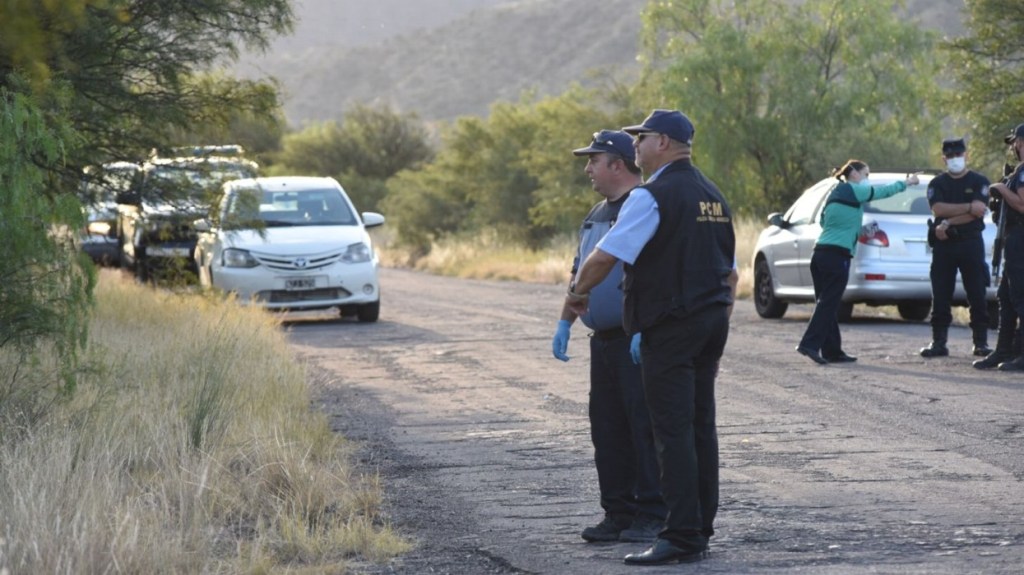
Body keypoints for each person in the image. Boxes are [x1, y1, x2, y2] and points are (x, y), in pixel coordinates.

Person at [565, 109, 738, 566]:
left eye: (640, 138)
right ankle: (699, 528)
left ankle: (679, 535)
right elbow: (731, 272)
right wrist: (717, 319)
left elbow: (605, 256)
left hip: (671, 326)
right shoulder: (713, 195)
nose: (636, 146)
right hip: (710, 322)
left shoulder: (651, 195)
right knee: (700, 427)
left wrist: (577, 294)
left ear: (662, 142)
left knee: (671, 431)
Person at [551, 129, 666, 543]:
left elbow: (656, 274)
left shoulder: (645, 206)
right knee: (607, 429)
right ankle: (617, 513)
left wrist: (645, 327)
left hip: (636, 338)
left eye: (594, 160)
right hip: (602, 340)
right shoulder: (597, 213)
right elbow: (579, 271)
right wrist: (565, 322)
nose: (587, 169)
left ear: (618, 164)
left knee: (643, 429)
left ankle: (652, 515)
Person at [796, 160, 918, 364]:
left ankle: (832, 351)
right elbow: (882, 192)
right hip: (837, 256)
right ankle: (809, 344)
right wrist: (906, 183)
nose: (867, 179)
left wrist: (860, 232)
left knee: (827, 304)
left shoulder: (834, 194)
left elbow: (828, 224)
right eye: (866, 174)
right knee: (828, 304)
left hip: (820, 255)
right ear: (854, 174)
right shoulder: (854, 190)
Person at [920, 138, 991, 358]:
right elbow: (938, 209)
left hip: (970, 243)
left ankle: (981, 342)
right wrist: (968, 207)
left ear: (966, 155)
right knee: (941, 293)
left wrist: (948, 221)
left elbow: (979, 212)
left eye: (958, 155)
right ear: (944, 159)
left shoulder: (979, 181)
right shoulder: (937, 183)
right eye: (950, 156)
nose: (954, 159)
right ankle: (938, 342)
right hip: (944, 245)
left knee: (977, 292)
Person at [975, 126, 1024, 369]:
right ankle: (1004, 350)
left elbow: (1023, 205)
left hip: (1020, 238)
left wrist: (1001, 188)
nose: (1014, 147)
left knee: (1020, 297)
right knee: (1006, 296)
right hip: (1013, 237)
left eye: (1016, 143)